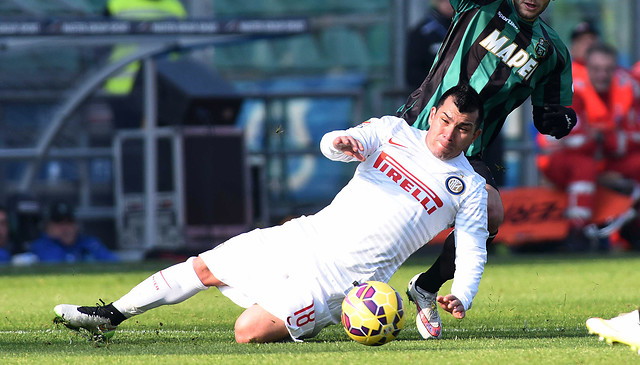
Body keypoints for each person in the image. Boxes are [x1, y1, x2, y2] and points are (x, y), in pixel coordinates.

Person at [54, 84, 489, 343]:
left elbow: (471, 250)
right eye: (446, 120)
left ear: (475, 133)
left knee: (248, 332)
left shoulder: (467, 186)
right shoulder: (394, 132)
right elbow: (334, 142)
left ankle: (323, 318)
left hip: (344, 282)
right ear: (434, 113)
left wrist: (463, 295)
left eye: (463, 128)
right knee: (202, 267)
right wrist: (339, 144)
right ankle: (108, 317)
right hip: (303, 237)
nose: (449, 134)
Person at [397, 0, 576, 339]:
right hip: (416, 131)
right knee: (373, 234)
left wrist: (561, 121)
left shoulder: (553, 53)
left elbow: (548, 117)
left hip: (470, 153)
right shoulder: (482, 0)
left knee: (492, 213)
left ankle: (427, 286)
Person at [537, 43, 640, 247]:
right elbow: (566, 140)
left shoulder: (627, 89)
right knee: (583, 165)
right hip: (561, 159)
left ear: (615, 69)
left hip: (604, 159)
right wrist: (605, 138)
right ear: (587, 68)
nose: (602, 75)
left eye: (608, 69)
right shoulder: (570, 87)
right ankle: (578, 231)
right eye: (596, 69)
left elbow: (633, 136)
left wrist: (601, 138)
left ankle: (631, 229)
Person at [103, 0, 187, 97]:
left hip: (164, 88)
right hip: (122, 87)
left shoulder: (174, 7)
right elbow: (100, 47)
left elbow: (183, 48)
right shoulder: (117, 4)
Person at [29, 201, 119, 263]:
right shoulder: (40, 246)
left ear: (77, 225)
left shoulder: (90, 243)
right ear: (48, 226)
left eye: (69, 223)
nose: (65, 228)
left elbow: (114, 263)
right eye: (59, 223)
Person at [406, 0, 454, 89]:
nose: (447, 4)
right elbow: (413, 74)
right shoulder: (421, 33)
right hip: (432, 96)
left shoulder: (467, 27)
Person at [569, 20, 600, 87]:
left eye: (592, 39)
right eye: (582, 40)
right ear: (572, 48)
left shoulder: (610, 72)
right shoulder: (565, 73)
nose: (589, 44)